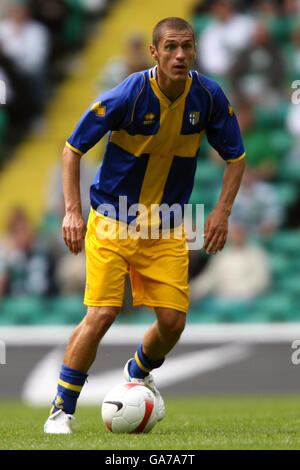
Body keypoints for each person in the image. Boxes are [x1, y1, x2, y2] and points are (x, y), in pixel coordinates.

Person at [44, 16, 246, 434]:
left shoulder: (207, 96)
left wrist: (222, 211)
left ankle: (137, 370)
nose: (180, 54)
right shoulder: (129, 94)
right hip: (114, 218)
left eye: (187, 46)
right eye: (171, 47)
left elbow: (236, 158)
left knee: (173, 322)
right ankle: (61, 410)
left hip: (170, 224)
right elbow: (71, 149)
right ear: (154, 53)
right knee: (102, 313)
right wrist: (71, 210)